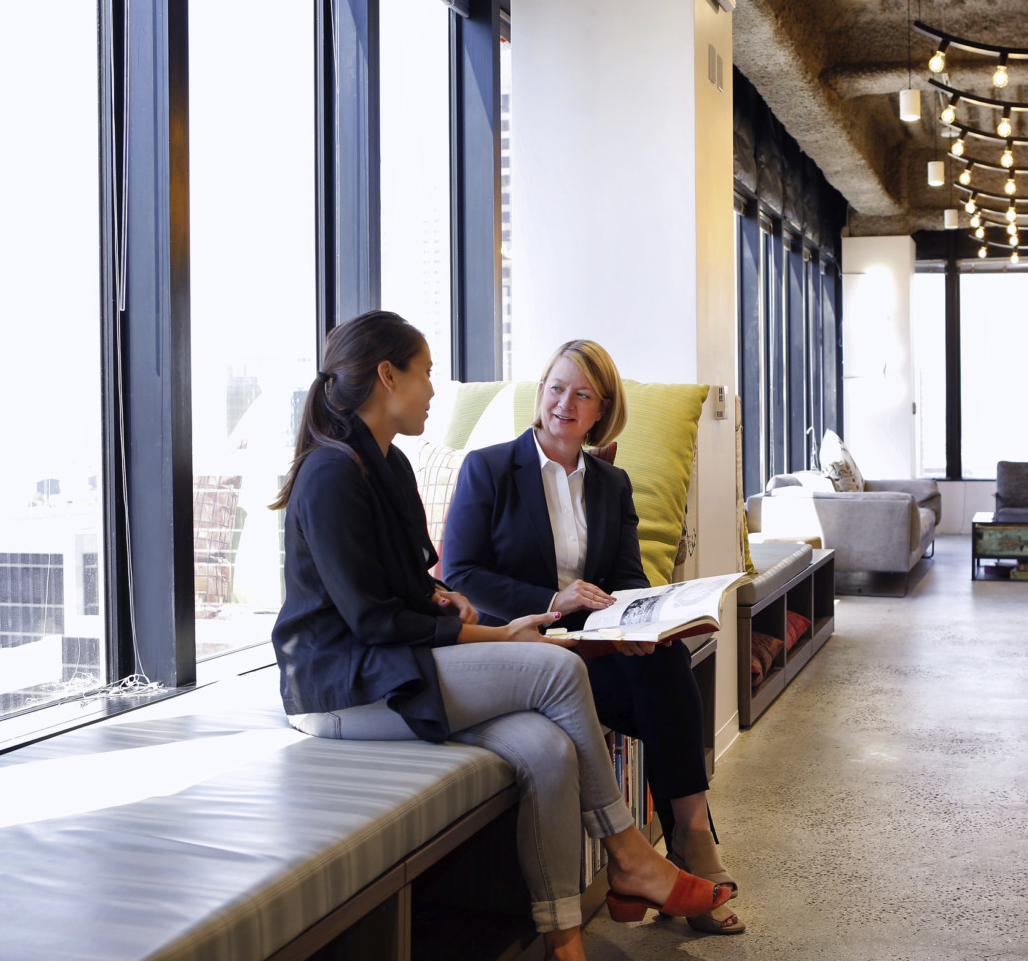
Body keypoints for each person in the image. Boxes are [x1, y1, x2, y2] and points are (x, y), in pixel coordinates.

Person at [268, 313, 730, 961]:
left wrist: (444, 601)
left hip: (397, 665)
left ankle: (564, 940)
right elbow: (370, 621)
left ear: (601, 411)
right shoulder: (331, 474)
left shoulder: (388, 467)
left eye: (583, 395)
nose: (434, 389)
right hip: (345, 686)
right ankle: (630, 855)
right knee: (555, 670)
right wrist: (482, 628)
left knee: (548, 748)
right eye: (426, 373)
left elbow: (406, 585)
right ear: (386, 375)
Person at [440, 339, 746, 936]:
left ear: (601, 409)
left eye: (582, 394)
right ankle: (681, 855)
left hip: (594, 644)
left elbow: (628, 577)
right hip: (525, 644)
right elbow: (461, 574)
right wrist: (552, 601)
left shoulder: (612, 482)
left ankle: (688, 835)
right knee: (665, 697)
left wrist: (638, 621)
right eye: (556, 387)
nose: (564, 403)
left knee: (666, 660)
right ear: (540, 391)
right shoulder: (491, 468)